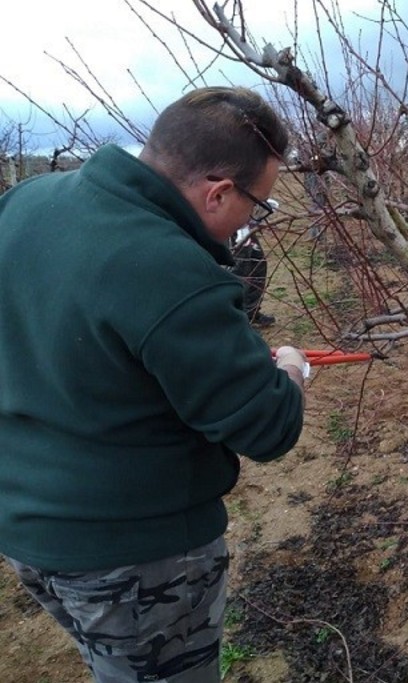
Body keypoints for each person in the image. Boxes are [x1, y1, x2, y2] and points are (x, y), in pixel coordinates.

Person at [0, 86, 309, 682]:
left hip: (26, 528)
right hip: (136, 561)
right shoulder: (172, 268)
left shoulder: (23, 203)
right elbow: (269, 426)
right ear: (219, 190)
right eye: (258, 204)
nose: (254, 219)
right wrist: (290, 368)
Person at [230, 198, 278, 327]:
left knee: (258, 264)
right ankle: (237, 318)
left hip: (245, 224)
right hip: (232, 226)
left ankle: (251, 311)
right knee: (241, 271)